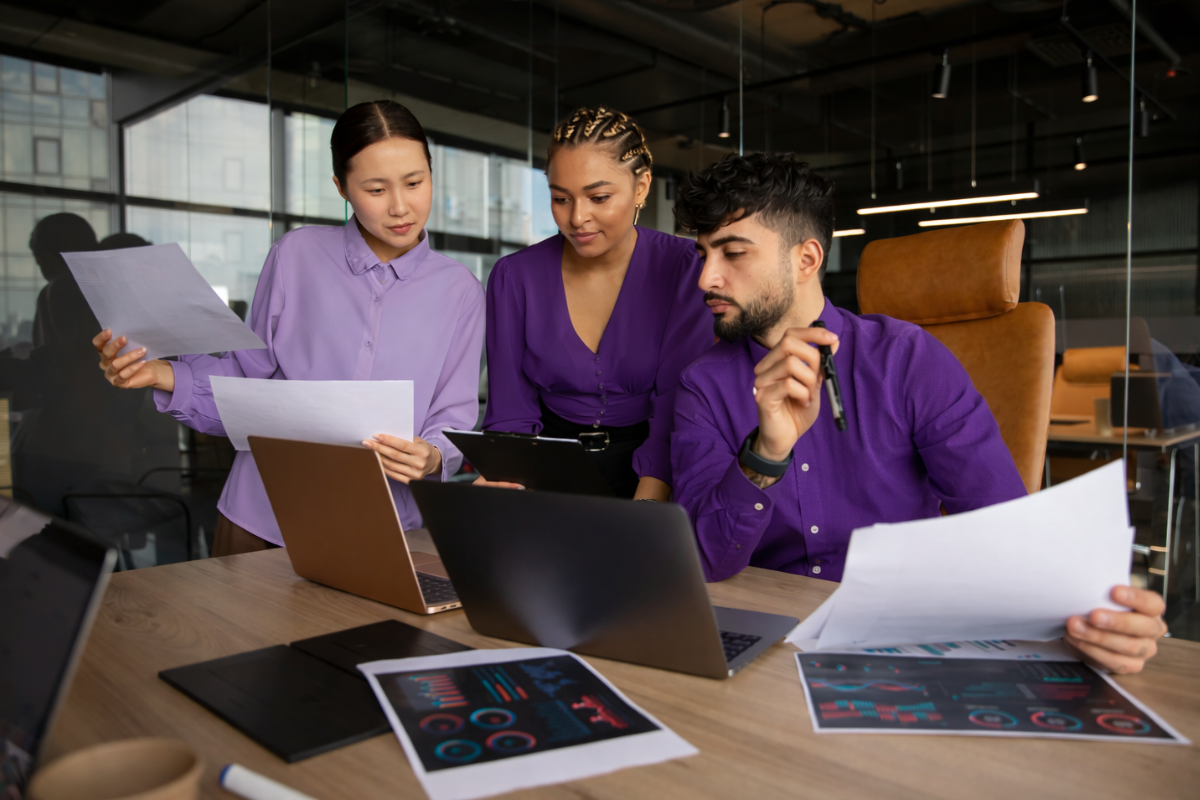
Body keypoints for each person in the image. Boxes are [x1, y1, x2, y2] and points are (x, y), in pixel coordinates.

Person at [670, 151, 1167, 674]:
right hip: (767, 646)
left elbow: (1001, 524)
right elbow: (708, 559)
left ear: (807, 259)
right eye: (704, 255)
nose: (706, 278)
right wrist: (767, 453)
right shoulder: (702, 384)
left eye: (732, 253)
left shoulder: (908, 359)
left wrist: (1096, 618)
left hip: (898, 643)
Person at [93, 100, 486, 556]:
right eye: (376, 189)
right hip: (261, 515)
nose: (401, 207)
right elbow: (247, 379)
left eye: (415, 183)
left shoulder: (461, 291)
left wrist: (434, 456)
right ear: (342, 187)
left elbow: (453, 417)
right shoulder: (296, 254)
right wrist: (160, 373)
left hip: (382, 526)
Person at [482, 107, 713, 500]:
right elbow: (510, 414)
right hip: (546, 473)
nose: (577, 218)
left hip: (658, 472)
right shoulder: (513, 277)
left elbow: (678, 406)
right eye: (560, 198)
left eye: (599, 197)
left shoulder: (688, 269)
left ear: (641, 187)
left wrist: (646, 513)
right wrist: (510, 488)